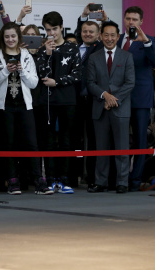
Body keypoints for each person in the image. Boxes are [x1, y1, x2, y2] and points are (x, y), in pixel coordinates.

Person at [0, 22, 52, 195]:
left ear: (18, 38)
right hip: (4, 107)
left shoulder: (26, 56)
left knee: (31, 143)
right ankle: (13, 181)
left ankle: (39, 180)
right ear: (3, 38)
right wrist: (5, 71)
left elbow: (33, 82)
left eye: (13, 36)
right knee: (7, 144)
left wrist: (22, 71)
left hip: (25, 106)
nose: (10, 39)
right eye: (7, 36)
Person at [86, 21, 135, 194]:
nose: (109, 38)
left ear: (118, 36)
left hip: (120, 108)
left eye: (113, 35)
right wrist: (104, 95)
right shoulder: (94, 57)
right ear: (101, 35)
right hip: (100, 108)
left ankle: (122, 182)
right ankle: (101, 182)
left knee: (122, 148)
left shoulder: (126, 56)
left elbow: (130, 83)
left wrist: (114, 99)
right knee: (101, 149)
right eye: (106, 35)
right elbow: (90, 83)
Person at [36, 11, 81, 194]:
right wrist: (47, 53)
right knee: (47, 141)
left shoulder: (72, 48)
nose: (52, 33)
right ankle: (50, 178)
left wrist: (58, 82)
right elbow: (41, 75)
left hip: (68, 99)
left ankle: (64, 179)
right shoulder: (42, 50)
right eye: (48, 30)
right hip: (47, 101)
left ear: (62, 27)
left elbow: (77, 75)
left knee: (66, 140)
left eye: (54, 29)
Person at [117, 6, 155, 191]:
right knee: (120, 139)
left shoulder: (149, 41)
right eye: (128, 18)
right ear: (124, 20)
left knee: (140, 140)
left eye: (134, 19)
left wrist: (146, 42)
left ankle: (135, 180)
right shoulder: (115, 40)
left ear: (141, 22)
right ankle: (120, 179)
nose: (131, 22)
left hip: (140, 98)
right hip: (118, 98)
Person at [73, 16, 105, 189]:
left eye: (91, 31)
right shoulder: (74, 48)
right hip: (76, 100)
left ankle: (92, 176)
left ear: (98, 34)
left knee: (93, 140)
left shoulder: (100, 48)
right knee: (75, 140)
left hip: (94, 100)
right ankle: (74, 176)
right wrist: (83, 17)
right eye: (84, 31)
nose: (87, 34)